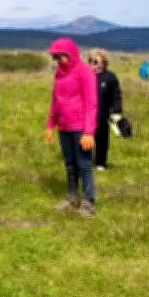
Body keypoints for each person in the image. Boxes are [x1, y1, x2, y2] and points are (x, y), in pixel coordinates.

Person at [45, 37, 98, 218]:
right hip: (64, 127)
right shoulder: (59, 73)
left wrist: (89, 132)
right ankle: (72, 198)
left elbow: (91, 104)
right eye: (55, 58)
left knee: (84, 165)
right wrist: (50, 125)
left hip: (80, 128)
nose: (58, 61)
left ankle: (89, 203)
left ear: (71, 54)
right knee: (69, 164)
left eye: (60, 57)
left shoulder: (85, 72)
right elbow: (55, 101)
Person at [87, 48, 123, 171]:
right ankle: (85, 161)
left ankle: (100, 163)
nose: (92, 63)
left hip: (102, 115)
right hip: (86, 115)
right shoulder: (85, 76)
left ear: (103, 63)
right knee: (86, 138)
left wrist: (117, 110)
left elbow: (116, 96)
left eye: (95, 61)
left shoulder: (110, 77)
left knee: (102, 140)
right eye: (90, 60)